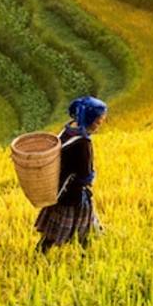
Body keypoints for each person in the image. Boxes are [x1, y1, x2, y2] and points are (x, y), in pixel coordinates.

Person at [35, 96, 108, 252]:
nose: (99, 126)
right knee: (81, 230)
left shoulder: (66, 131)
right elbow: (85, 174)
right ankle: (83, 255)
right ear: (88, 119)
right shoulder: (83, 144)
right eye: (98, 122)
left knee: (54, 230)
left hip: (58, 190)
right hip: (74, 195)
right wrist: (90, 179)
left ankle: (43, 252)